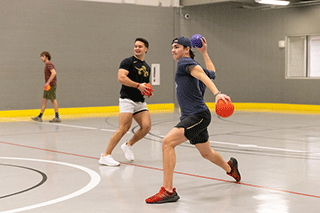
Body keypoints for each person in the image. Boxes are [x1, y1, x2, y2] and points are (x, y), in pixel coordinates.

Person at [145, 37, 241, 204]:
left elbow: (203, 76)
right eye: (172, 47)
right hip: (195, 116)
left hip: (197, 116)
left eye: (176, 47)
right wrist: (204, 52)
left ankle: (167, 191)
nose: (173, 50)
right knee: (206, 153)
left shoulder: (184, 63)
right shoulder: (193, 66)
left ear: (186, 49)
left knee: (167, 143)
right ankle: (230, 168)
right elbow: (211, 73)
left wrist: (217, 94)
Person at [99, 38, 152, 166]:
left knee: (146, 127)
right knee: (123, 128)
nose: (137, 48)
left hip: (140, 102)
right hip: (127, 99)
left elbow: (145, 83)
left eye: (140, 46)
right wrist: (138, 86)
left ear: (146, 49)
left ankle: (128, 145)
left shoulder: (147, 67)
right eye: (135, 46)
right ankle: (105, 155)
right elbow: (121, 77)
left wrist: (148, 90)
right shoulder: (128, 62)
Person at [32, 51, 61, 123]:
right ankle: (40, 116)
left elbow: (54, 73)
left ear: (46, 57)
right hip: (48, 86)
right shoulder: (47, 64)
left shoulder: (49, 64)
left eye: (42, 56)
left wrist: (48, 82)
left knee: (53, 100)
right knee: (44, 100)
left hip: (51, 86)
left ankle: (57, 117)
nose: (41, 58)